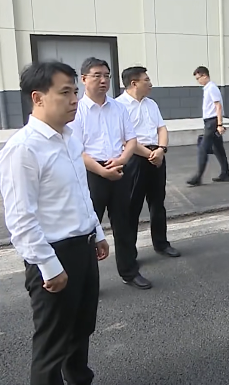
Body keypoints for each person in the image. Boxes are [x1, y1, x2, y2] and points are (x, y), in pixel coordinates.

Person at [0, 61, 110, 385]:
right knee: (52, 344)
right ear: (38, 97)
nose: (74, 99)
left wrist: (97, 232)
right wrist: (49, 266)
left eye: (75, 91)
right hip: (53, 254)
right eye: (65, 93)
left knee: (81, 329)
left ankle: (79, 379)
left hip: (84, 247)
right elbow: (21, 219)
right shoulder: (23, 149)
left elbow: (80, 193)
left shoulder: (69, 138)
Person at [69, 58, 150, 289]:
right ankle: (86, 282)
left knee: (124, 225)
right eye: (97, 75)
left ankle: (129, 272)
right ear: (84, 79)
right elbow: (77, 151)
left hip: (119, 168)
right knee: (88, 229)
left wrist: (122, 160)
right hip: (92, 173)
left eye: (106, 75)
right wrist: (103, 171)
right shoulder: (77, 110)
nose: (103, 80)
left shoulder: (118, 107)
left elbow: (131, 139)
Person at [117, 66, 180, 259]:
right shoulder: (118, 106)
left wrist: (161, 149)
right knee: (132, 207)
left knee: (158, 203)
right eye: (146, 80)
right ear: (134, 83)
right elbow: (123, 138)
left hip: (157, 155)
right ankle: (129, 254)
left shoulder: (151, 104)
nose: (150, 83)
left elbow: (162, 128)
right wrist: (149, 154)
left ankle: (161, 244)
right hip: (134, 158)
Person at [187, 66, 229, 186]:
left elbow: (218, 106)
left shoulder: (211, 88)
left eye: (198, 78)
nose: (198, 81)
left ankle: (198, 177)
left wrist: (219, 124)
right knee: (218, 148)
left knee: (203, 148)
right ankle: (225, 173)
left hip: (212, 122)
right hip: (209, 121)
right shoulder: (208, 88)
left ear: (204, 76)